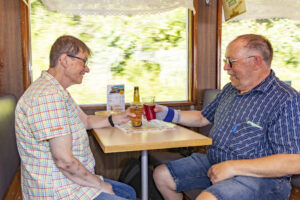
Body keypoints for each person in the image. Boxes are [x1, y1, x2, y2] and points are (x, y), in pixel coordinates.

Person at [153, 34, 300, 200]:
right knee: (162, 175)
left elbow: (294, 161)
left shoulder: (286, 99)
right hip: (215, 162)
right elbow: (202, 118)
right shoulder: (230, 89)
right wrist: (167, 114)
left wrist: (233, 167)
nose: (225, 67)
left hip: (262, 179)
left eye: (231, 61)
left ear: (256, 62)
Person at [15, 35, 136, 200]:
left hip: (72, 181)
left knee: (129, 192)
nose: (87, 69)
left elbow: (85, 121)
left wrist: (116, 118)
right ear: (64, 60)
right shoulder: (47, 96)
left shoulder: (57, 91)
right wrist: (100, 185)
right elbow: (65, 162)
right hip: (59, 191)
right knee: (125, 194)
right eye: (83, 61)